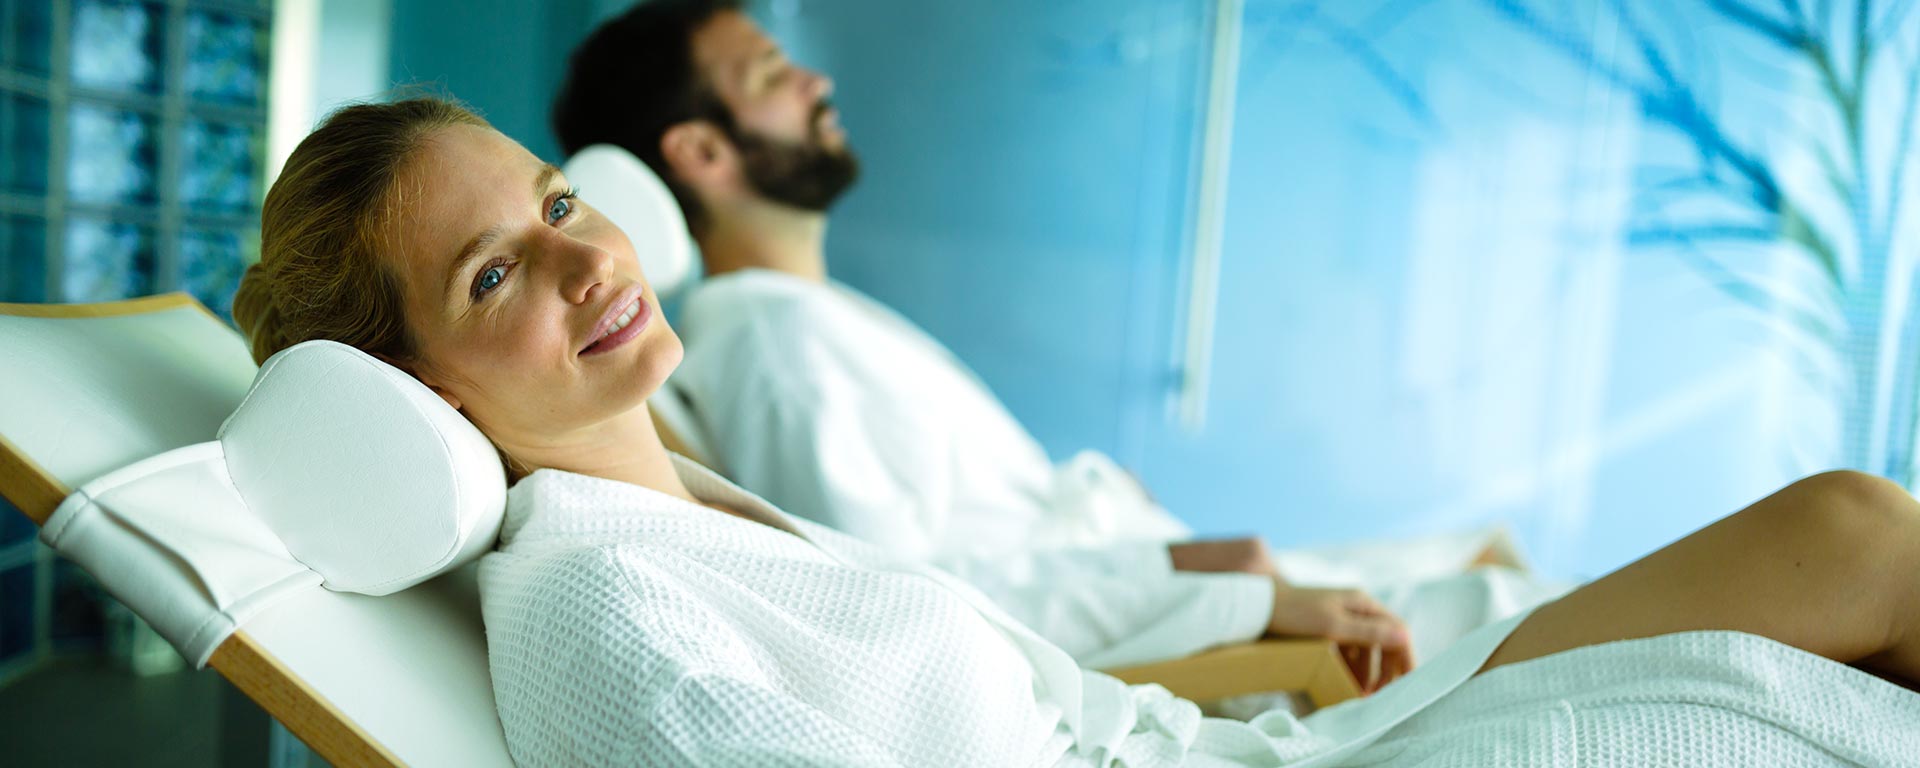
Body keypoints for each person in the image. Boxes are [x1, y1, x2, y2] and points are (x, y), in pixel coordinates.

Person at [231, 97, 1919, 766]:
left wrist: (1258, 670)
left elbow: (1036, 683)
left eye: (548, 195)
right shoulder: (605, 620)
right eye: (496, 268)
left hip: (1252, 748)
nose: (593, 245)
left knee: (1855, 522)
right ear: (426, 391)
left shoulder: (695, 504)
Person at [546, 0, 1560, 674]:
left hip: (1153, 572)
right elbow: (907, 602)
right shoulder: (774, 350)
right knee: (1514, 600)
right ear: (705, 151)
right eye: (771, 72)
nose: (816, 83)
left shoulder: (815, 323)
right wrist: (1195, 577)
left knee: (1492, 551)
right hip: (1178, 631)